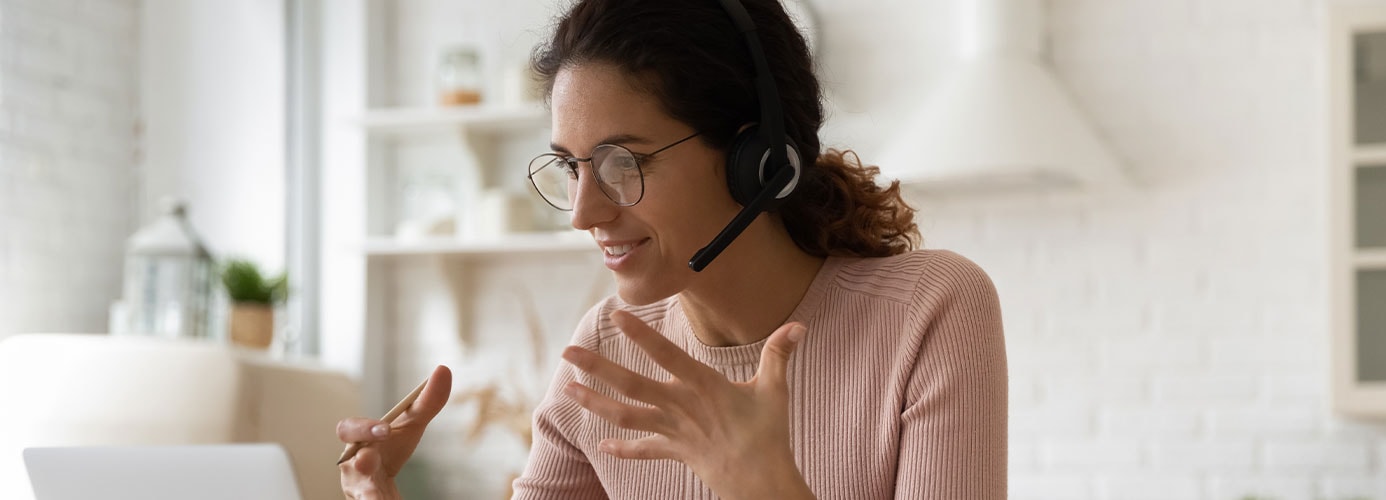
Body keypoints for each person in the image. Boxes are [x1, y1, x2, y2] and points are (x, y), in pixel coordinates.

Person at [336, 0, 1007, 498]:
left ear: (757, 160)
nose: (583, 212)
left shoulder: (929, 311)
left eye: (623, 162)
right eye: (570, 167)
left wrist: (765, 484)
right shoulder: (605, 348)